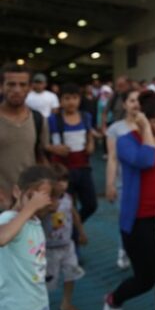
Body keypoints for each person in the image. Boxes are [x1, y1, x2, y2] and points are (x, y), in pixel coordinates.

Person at [102, 91, 155, 310]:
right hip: (139, 220)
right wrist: (145, 129)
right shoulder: (125, 142)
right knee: (146, 278)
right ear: (143, 118)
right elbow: (145, 160)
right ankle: (114, 298)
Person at [0, 165, 55, 310]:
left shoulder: (34, 221)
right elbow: (2, 238)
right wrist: (29, 208)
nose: (36, 205)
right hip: (17, 309)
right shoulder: (10, 218)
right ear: (17, 191)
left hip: (39, 303)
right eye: (32, 197)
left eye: (41, 199)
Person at [0, 63, 49, 211]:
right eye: (11, 84)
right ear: (1, 86)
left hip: (30, 203)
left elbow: (41, 157)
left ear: (29, 88)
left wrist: (48, 189)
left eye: (23, 85)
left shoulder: (38, 119)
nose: (17, 90)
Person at [46, 83, 97, 224]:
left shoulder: (86, 116)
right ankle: (65, 236)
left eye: (75, 98)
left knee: (91, 204)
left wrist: (91, 143)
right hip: (61, 170)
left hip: (83, 167)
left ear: (80, 99)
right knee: (63, 206)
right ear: (60, 101)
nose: (71, 102)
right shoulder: (52, 120)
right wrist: (53, 148)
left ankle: (75, 226)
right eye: (67, 98)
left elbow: (89, 133)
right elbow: (42, 144)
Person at [43, 164, 86, 310]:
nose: (62, 184)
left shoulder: (68, 198)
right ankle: (42, 308)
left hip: (68, 245)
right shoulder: (44, 202)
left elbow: (74, 214)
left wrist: (81, 232)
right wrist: (48, 208)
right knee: (47, 282)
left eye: (65, 180)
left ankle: (66, 304)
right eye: (58, 180)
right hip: (49, 249)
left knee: (71, 273)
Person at [105, 89, 141, 269]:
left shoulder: (148, 126)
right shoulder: (115, 129)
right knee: (126, 220)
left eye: (139, 100)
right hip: (123, 183)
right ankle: (123, 250)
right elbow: (112, 158)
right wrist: (110, 183)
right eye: (132, 100)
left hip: (143, 182)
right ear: (125, 104)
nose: (136, 104)